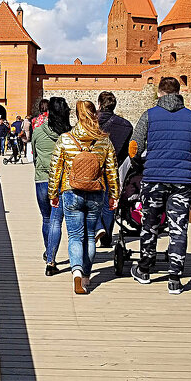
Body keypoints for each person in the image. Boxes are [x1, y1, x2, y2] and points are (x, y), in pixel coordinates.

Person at [128, 77, 191, 295]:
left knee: (150, 224)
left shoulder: (149, 115)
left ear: (159, 93)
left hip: (154, 179)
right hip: (182, 181)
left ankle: (144, 269)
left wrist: (141, 164)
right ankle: (175, 278)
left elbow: (134, 147)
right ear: (179, 93)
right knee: (178, 227)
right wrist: (189, 165)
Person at [49, 100, 120, 295]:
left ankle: (77, 272)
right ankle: (87, 275)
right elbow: (112, 171)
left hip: (71, 191)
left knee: (74, 236)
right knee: (89, 236)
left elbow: (55, 168)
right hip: (96, 192)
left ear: (77, 116)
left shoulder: (65, 139)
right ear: (94, 115)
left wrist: (53, 193)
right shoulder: (104, 140)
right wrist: (114, 195)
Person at [33, 97, 70, 276]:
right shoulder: (68, 135)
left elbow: (34, 155)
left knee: (46, 218)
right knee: (56, 220)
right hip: (61, 181)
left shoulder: (38, 131)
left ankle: (49, 251)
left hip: (41, 179)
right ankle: (51, 260)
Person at [95, 91, 132, 247]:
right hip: (111, 167)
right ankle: (107, 237)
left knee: (91, 201)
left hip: (91, 168)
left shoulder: (90, 122)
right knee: (108, 203)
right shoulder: (126, 125)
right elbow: (127, 150)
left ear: (99, 104)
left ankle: (96, 229)